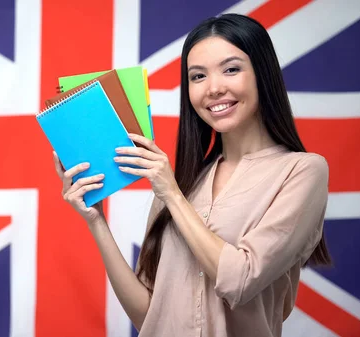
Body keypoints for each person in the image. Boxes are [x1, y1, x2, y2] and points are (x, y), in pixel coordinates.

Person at [52, 13, 332, 337]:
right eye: (197, 76)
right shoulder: (180, 181)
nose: (213, 89)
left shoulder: (303, 171)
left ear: (262, 74)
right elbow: (149, 316)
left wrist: (171, 194)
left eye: (231, 69)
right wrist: (95, 220)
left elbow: (240, 280)